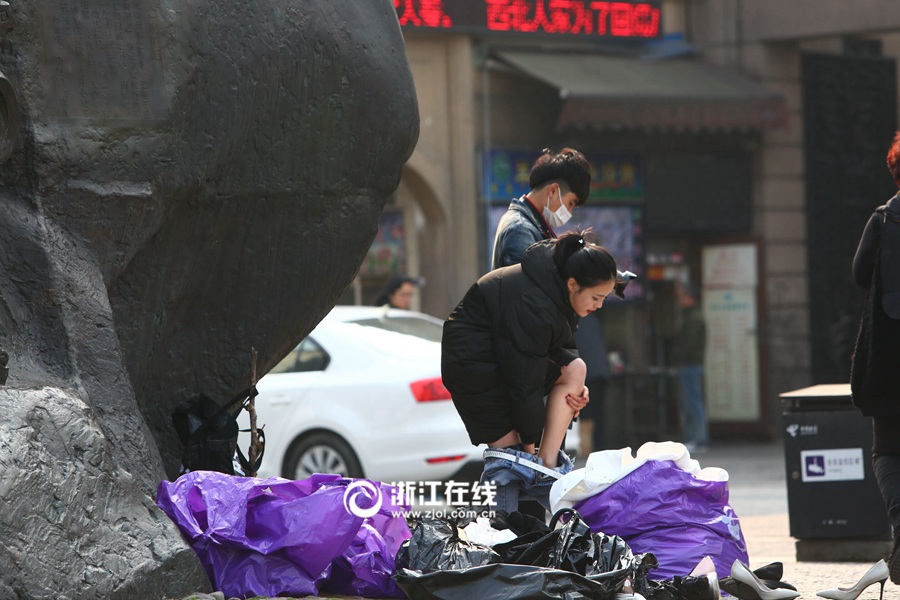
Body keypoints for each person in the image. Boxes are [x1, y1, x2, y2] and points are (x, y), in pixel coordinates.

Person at [441, 231, 619, 511]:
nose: (599, 306)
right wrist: (527, 445)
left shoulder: (559, 289)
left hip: (503, 354)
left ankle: (546, 467)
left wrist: (577, 390)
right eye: (596, 297)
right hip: (472, 364)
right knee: (510, 458)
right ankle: (502, 533)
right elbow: (525, 381)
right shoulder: (535, 303)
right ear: (573, 284)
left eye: (604, 299)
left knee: (576, 369)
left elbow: (563, 351)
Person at [850, 130, 900, 584]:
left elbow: (860, 274)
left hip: (889, 357)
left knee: (887, 448)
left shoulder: (883, 219)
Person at [491, 148, 592, 270]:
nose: (569, 212)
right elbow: (526, 286)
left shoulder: (530, 226)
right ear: (553, 191)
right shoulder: (521, 229)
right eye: (571, 203)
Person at [671, 281, 709, 452]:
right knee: (691, 402)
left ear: (690, 298)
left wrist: (678, 358)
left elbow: (689, 345)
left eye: (683, 296)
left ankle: (698, 439)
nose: (680, 300)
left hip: (690, 365)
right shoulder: (690, 316)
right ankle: (694, 438)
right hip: (690, 364)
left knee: (693, 402)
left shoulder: (693, 318)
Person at [573, 310, 611, 456]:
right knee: (598, 414)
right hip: (600, 371)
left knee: (587, 414)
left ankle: (588, 450)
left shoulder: (574, 322)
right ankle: (599, 449)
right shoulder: (593, 320)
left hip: (586, 372)